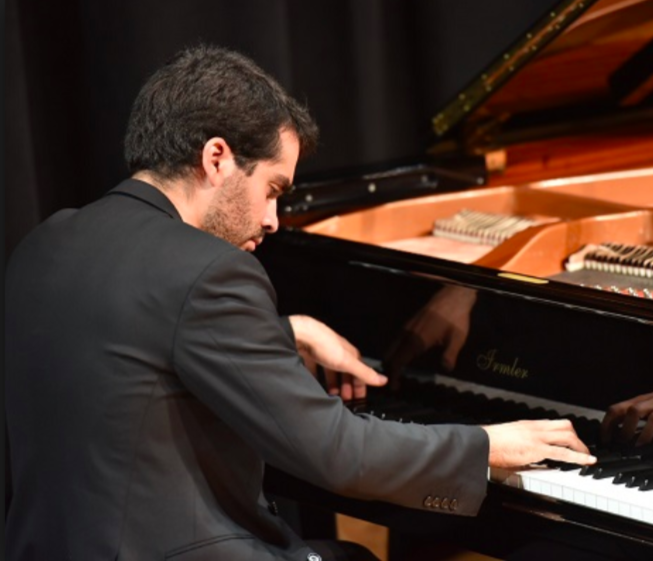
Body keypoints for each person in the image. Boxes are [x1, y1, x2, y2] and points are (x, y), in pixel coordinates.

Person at [5, 44, 596, 561]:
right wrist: (486, 445)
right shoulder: (210, 270)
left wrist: (283, 331)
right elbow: (336, 453)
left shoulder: (47, 242)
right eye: (273, 190)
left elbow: (130, 337)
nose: (273, 220)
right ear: (216, 158)